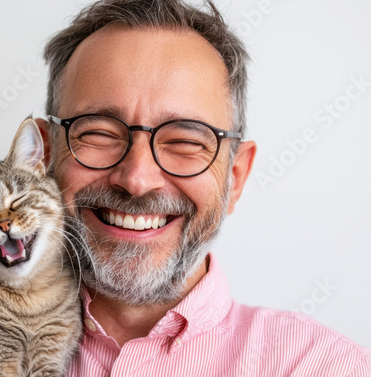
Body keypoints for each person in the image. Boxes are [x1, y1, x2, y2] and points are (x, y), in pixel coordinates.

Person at [35, 0, 371, 375]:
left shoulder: (319, 365)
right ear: (44, 154)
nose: (137, 179)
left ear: (236, 175)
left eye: (185, 141)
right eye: (98, 133)